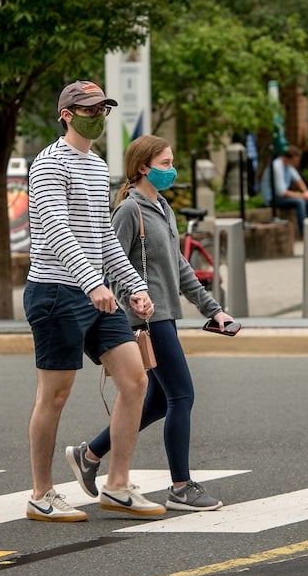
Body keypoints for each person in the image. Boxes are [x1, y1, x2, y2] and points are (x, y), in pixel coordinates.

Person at [66, 135, 237, 512]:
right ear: (143, 167)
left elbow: (180, 267)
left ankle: (90, 453)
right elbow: (110, 265)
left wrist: (214, 310)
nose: (171, 170)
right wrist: (131, 302)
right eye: (164, 164)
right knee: (182, 395)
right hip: (143, 320)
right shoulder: (130, 211)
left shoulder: (162, 207)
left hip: (164, 316)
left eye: (171, 162)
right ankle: (180, 486)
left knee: (159, 402)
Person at [24, 80, 163, 522]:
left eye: (103, 108)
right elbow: (56, 229)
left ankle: (117, 485)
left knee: (135, 379)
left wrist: (132, 285)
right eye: (88, 108)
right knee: (56, 394)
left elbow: (102, 236)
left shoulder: (96, 164)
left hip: (95, 291)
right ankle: (41, 493)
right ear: (66, 114)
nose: (97, 115)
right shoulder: (48, 165)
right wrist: (91, 283)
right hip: (56, 292)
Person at [261, 145, 308, 235]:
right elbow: (282, 192)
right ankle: (305, 232)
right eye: (295, 161)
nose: (297, 163)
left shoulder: (289, 166)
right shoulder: (277, 166)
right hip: (272, 198)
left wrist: (307, 193)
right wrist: (302, 196)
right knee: (300, 202)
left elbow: (298, 180)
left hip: (281, 197)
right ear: (287, 158)